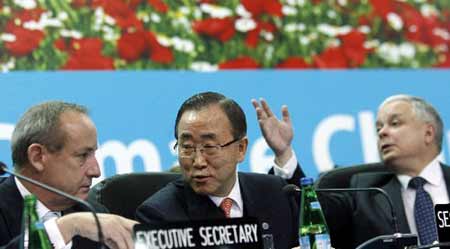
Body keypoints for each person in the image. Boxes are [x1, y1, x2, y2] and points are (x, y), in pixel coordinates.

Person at [136, 92, 304, 249]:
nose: (198, 161)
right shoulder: (158, 216)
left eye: (209, 147)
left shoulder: (275, 192)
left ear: (240, 149)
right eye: (187, 147)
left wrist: (283, 153)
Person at [306, 95, 449, 248]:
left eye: (395, 123)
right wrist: (286, 157)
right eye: (378, 128)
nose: (382, 133)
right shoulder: (365, 192)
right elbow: (314, 212)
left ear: (428, 133)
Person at [0, 101, 137, 249]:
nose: (96, 171)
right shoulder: (81, 221)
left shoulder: (91, 212)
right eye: (83, 155)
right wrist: (65, 228)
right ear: (37, 157)